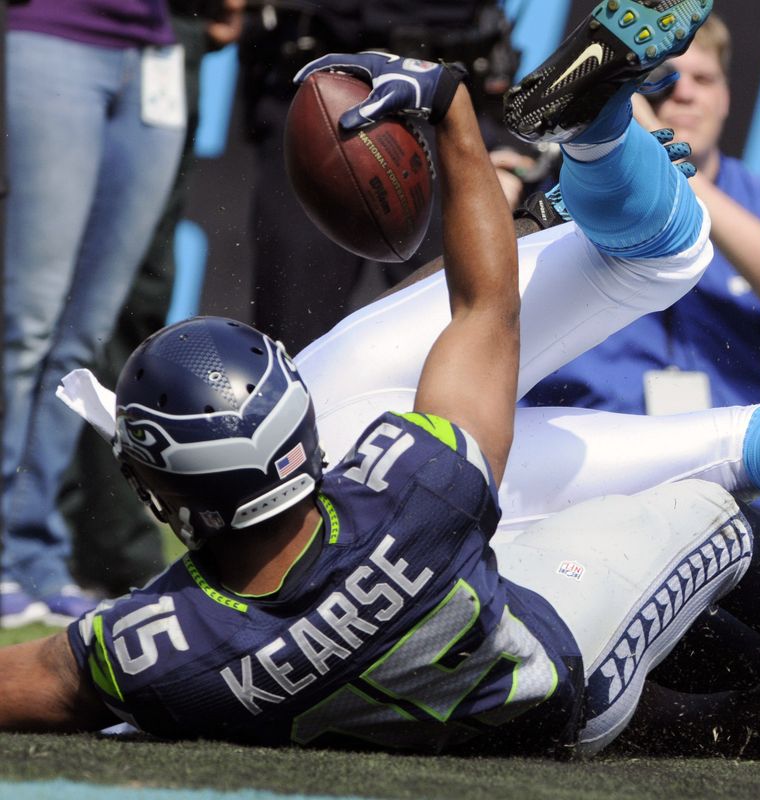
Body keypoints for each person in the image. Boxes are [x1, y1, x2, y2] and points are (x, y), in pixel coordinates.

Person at [18, 0, 760, 755]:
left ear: (174, 498)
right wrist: (457, 120)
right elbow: (483, 300)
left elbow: (44, 678)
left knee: (729, 506)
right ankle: (600, 142)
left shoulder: (158, 652)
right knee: (684, 332)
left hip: (505, 631)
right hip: (507, 592)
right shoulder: (392, 488)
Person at [521, 13, 760, 538]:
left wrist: (670, 174)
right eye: (666, 81)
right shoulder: (562, 199)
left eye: (705, 80)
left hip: (759, 510)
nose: (686, 96)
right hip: (588, 506)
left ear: (726, 96)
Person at [2, 0, 188, 626]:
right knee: (26, 325)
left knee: (83, 335)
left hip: (156, 54)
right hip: (56, 39)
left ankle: (36, 552)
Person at [58, 0, 247, 611]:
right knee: (63, 302)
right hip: (66, 33)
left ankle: (112, 543)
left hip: (169, 35)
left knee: (138, 296)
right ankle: (60, 541)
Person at [238, 0, 521, 352]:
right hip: (315, 93)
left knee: (461, 342)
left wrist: (481, 143)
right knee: (292, 350)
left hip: (437, 94)